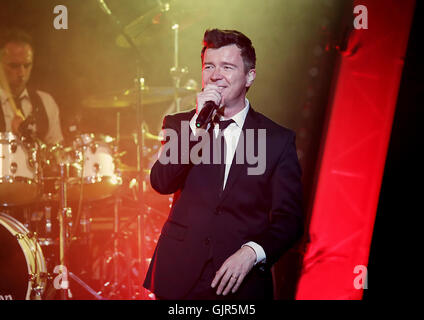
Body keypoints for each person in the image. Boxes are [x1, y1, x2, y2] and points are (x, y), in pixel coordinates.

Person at [144, 29, 303, 300]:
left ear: (249, 76)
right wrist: (196, 128)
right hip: (180, 278)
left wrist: (252, 251)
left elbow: (289, 221)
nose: (215, 75)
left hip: (241, 281)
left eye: (227, 67)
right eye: (209, 67)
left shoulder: (277, 139)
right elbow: (161, 181)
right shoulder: (181, 125)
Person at [0, 29, 63, 144]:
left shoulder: (46, 102)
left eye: (27, 65)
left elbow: (56, 152)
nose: (22, 73)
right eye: (14, 66)